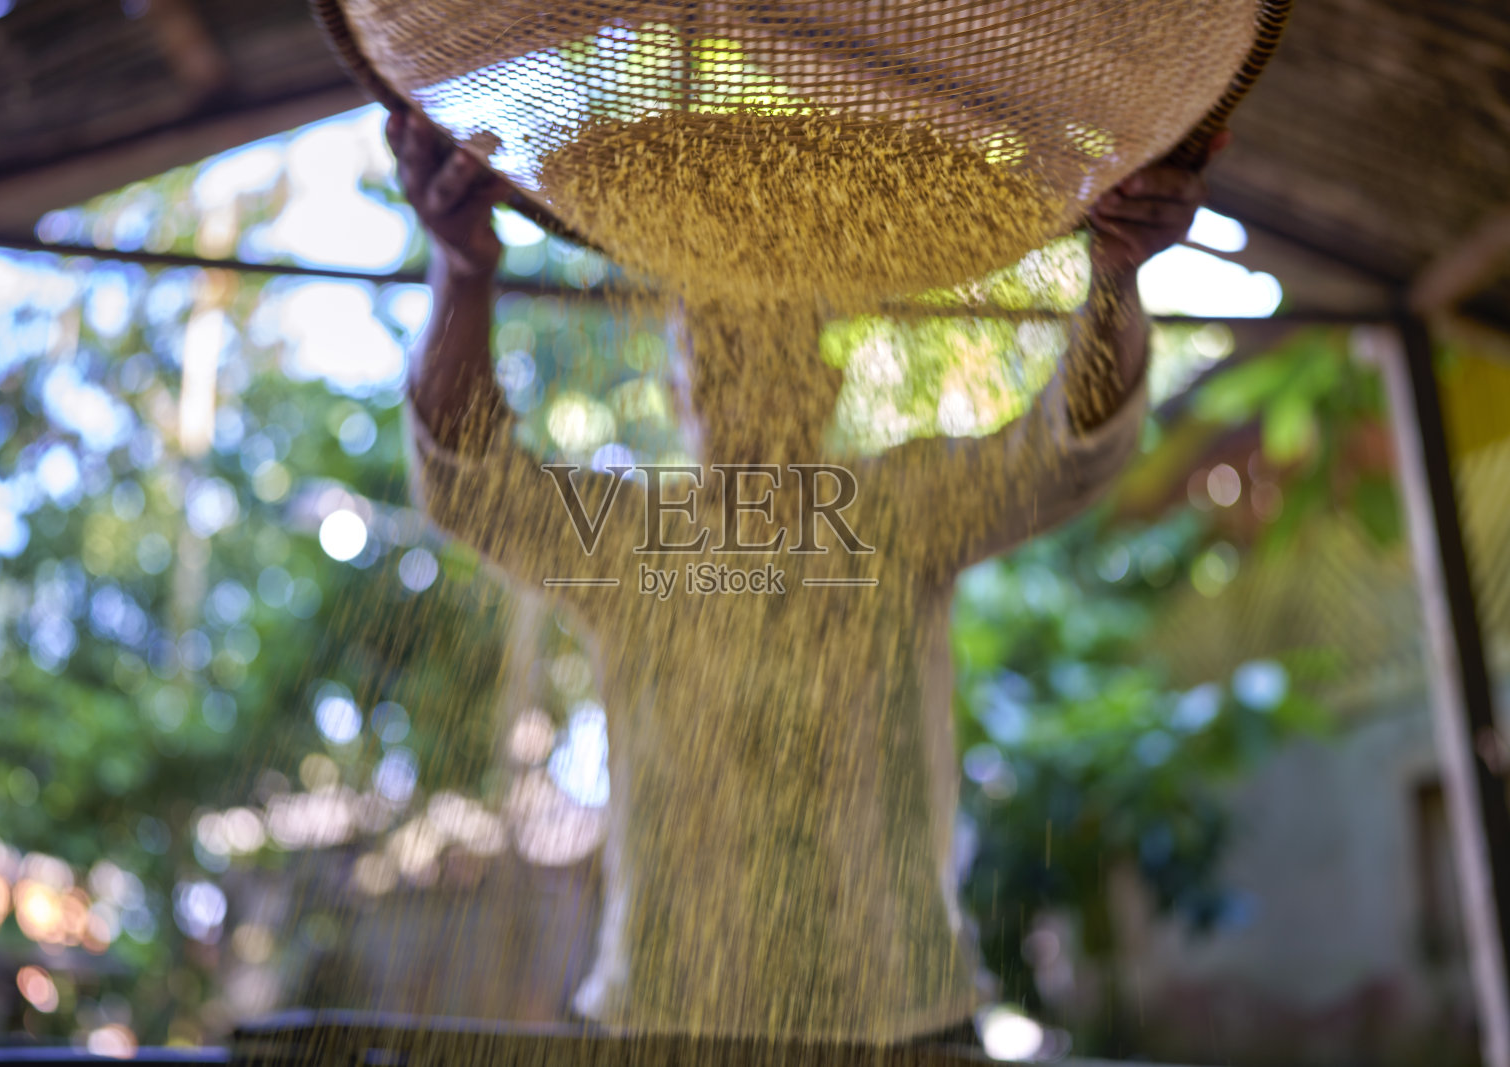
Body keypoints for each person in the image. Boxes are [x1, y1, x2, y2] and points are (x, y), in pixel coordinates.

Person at [386, 107, 1220, 1042]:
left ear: (824, 384)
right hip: (668, 1019)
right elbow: (467, 478)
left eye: (772, 341)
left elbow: (1068, 450)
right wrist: (463, 268)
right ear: (678, 394)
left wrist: (1113, 275)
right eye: (713, 346)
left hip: (899, 1019)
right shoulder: (629, 537)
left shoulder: (899, 513)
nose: (742, 370)